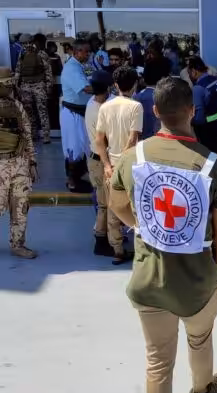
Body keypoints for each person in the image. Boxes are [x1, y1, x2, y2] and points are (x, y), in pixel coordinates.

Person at [109, 76, 217, 393]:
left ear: (155, 111)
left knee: (158, 364)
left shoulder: (132, 157)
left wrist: (143, 227)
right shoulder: (214, 167)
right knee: (200, 339)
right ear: (191, 112)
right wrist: (214, 269)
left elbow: (117, 205)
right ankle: (202, 390)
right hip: (197, 283)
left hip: (149, 280)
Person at [95, 66, 142, 265]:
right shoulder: (135, 107)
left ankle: (117, 250)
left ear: (115, 85)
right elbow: (133, 140)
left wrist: (107, 165)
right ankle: (141, 249)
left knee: (114, 207)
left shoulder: (105, 106)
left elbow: (99, 141)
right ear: (135, 85)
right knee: (136, 208)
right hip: (130, 165)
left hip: (111, 165)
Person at [0, 67, 38, 259]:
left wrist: (32, 162)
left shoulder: (17, 106)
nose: (10, 87)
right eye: (7, 84)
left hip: (19, 162)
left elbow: (27, 135)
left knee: (21, 207)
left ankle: (18, 244)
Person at [85, 70, 115, 257]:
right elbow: (101, 142)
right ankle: (102, 241)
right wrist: (107, 165)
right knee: (105, 204)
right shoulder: (101, 110)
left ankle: (107, 236)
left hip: (94, 159)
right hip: (100, 160)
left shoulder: (92, 104)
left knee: (103, 202)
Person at [60, 39, 94, 193]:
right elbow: (86, 88)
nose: (87, 54)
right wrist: (103, 89)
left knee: (83, 146)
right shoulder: (72, 68)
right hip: (73, 113)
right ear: (76, 52)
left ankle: (80, 176)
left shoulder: (81, 65)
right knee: (73, 148)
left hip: (81, 112)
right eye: (85, 51)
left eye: (88, 51)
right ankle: (72, 181)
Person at [14, 33, 52, 145]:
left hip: (39, 85)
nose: (25, 45)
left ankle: (46, 135)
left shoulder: (41, 54)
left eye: (26, 43)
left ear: (31, 42)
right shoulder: (22, 54)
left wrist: (49, 85)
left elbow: (48, 71)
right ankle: (33, 134)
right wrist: (16, 85)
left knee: (42, 111)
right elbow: (18, 69)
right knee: (29, 112)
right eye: (23, 43)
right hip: (25, 86)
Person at [134, 60, 166, 140]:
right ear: (162, 78)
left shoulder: (136, 97)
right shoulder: (165, 97)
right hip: (160, 140)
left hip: (141, 142)